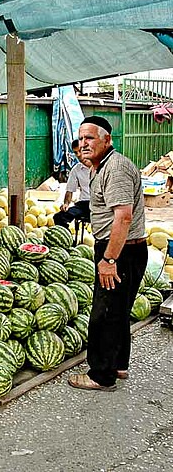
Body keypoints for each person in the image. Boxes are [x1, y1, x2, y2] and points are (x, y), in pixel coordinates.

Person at [68, 116, 147, 392]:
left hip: (121, 251)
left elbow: (123, 217)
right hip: (123, 249)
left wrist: (109, 259)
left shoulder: (115, 168)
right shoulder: (98, 167)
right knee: (119, 311)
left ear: (107, 140)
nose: (84, 143)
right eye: (81, 138)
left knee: (104, 314)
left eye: (90, 137)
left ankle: (101, 376)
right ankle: (119, 366)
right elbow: (104, 204)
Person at [53, 139, 91, 229]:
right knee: (59, 217)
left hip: (100, 205)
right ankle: (69, 241)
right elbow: (70, 190)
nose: (78, 155)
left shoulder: (101, 167)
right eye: (75, 152)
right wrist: (66, 203)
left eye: (80, 151)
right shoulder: (76, 169)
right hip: (84, 205)